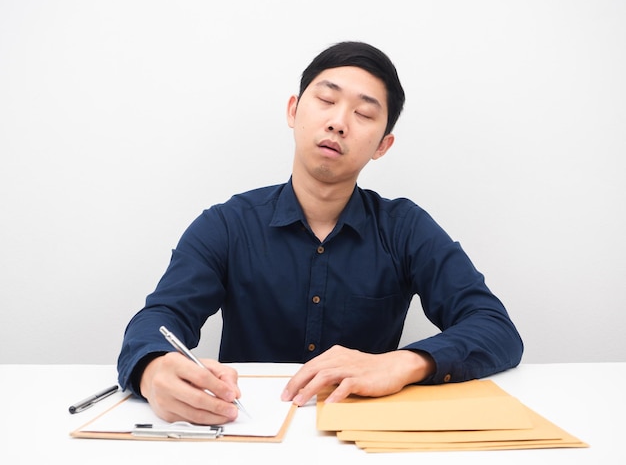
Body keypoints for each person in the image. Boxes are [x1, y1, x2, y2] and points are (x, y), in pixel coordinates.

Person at [117, 41, 524, 426]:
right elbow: (162, 316)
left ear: (383, 145)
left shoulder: (405, 228)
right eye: (326, 101)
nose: (338, 122)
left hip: (361, 435)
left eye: (364, 114)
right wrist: (153, 369)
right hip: (249, 430)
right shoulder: (227, 224)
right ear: (294, 110)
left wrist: (401, 363)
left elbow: (494, 327)